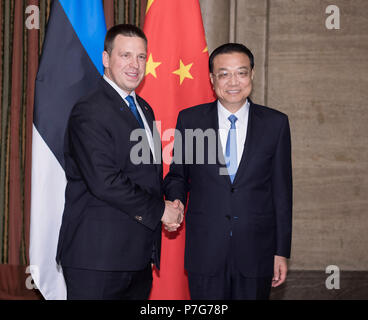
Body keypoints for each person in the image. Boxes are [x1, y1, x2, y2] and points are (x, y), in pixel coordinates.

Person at [56, 24, 183, 300]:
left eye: (140, 57)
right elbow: (105, 181)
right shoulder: (89, 110)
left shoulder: (144, 109)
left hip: (136, 259)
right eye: (125, 55)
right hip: (97, 259)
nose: (135, 64)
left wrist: (170, 202)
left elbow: (146, 176)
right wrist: (160, 211)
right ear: (106, 59)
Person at [164, 43, 292, 300]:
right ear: (212, 79)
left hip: (257, 252)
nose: (233, 81)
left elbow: (282, 192)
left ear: (252, 75)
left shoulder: (275, 124)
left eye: (241, 73)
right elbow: (178, 175)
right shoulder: (191, 120)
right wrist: (175, 200)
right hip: (206, 251)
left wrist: (281, 251)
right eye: (224, 74)